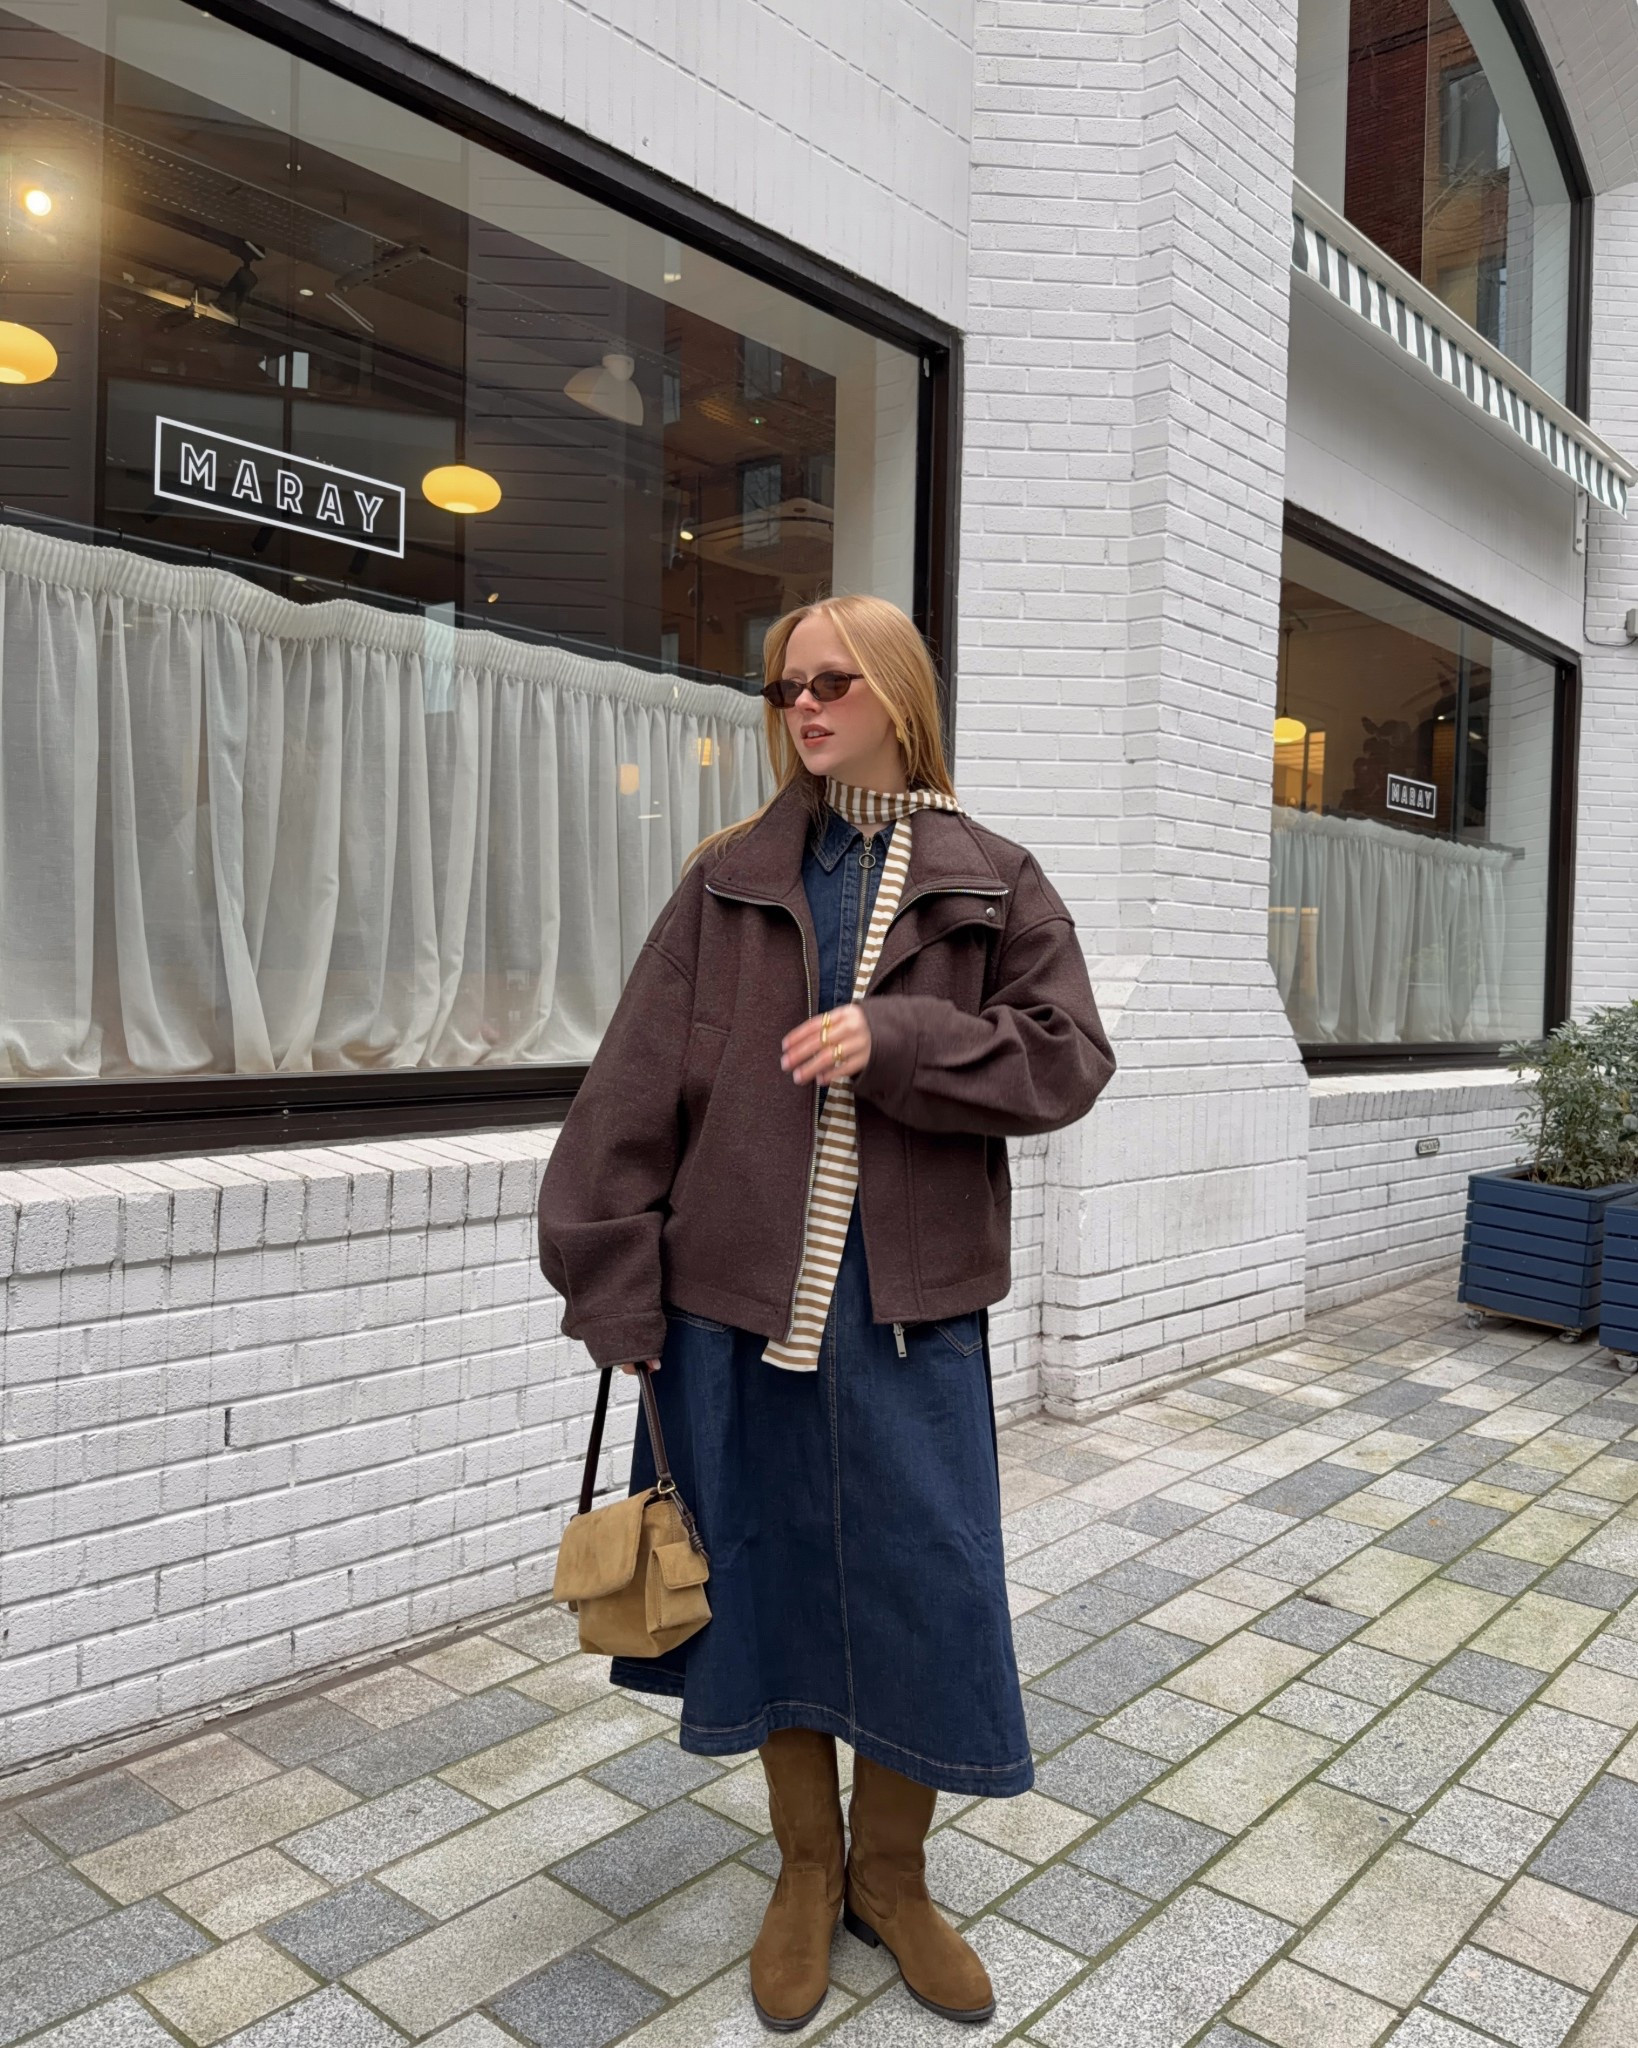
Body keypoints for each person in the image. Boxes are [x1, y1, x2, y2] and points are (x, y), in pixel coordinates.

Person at [538, 595, 1114, 2030]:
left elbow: (1067, 1063)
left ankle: (893, 1880)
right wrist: (611, 1277)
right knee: (770, 1583)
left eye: (833, 683)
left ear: (898, 699)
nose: (803, 706)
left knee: (921, 1586)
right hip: (732, 1310)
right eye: (784, 683)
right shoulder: (728, 880)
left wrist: (901, 1038)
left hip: (907, 1314)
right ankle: (804, 1871)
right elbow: (627, 1096)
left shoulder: (992, 883)